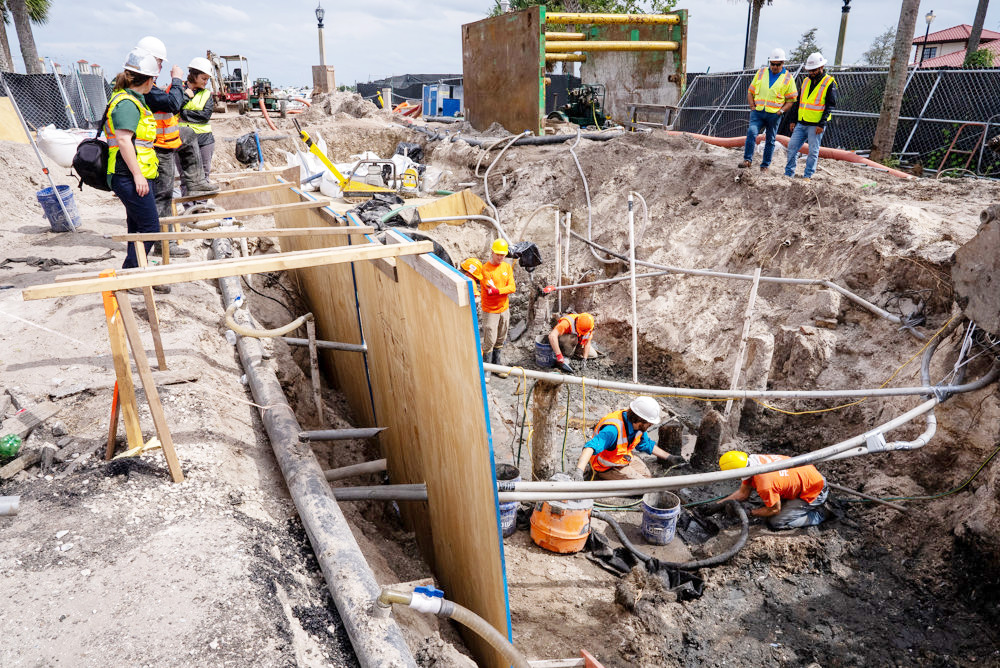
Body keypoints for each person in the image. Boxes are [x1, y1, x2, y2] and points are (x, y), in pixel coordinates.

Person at [106, 49, 167, 292]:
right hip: (128, 175)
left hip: (134, 175)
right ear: (149, 80)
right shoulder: (127, 104)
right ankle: (131, 274)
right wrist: (138, 175)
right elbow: (123, 140)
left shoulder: (132, 100)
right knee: (151, 228)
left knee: (137, 228)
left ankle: (136, 272)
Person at [717, 450, 829, 529]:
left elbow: (775, 510)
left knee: (776, 522)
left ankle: (821, 514)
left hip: (814, 491)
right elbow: (743, 493)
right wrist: (718, 504)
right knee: (771, 499)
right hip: (807, 476)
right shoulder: (754, 460)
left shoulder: (765, 485)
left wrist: (751, 513)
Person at [572, 397, 674, 481]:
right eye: (650, 423)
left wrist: (669, 457)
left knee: (648, 478)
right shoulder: (613, 430)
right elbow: (590, 447)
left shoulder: (638, 427)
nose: (651, 425)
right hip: (605, 467)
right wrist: (579, 471)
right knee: (643, 486)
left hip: (623, 458)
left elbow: (646, 444)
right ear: (641, 420)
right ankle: (600, 478)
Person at [741, 48, 797, 172]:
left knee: (770, 140)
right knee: (751, 133)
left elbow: (791, 99)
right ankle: (747, 160)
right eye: (772, 64)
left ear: (783, 63)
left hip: (774, 115)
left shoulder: (788, 78)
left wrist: (781, 111)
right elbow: (750, 92)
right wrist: (752, 107)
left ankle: (765, 165)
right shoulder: (761, 73)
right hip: (758, 112)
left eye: (778, 64)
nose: (775, 67)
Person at [784, 52, 838, 179]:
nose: (811, 72)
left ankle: (808, 176)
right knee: (792, 147)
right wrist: (793, 120)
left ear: (821, 67)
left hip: (816, 125)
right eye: (810, 70)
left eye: (814, 70)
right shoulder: (806, 81)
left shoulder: (829, 82)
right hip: (801, 122)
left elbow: (830, 106)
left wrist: (822, 124)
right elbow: (798, 102)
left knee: (813, 151)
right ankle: (789, 174)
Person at [178, 57, 217, 190]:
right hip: (183, 140)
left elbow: (205, 116)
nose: (206, 82)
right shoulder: (179, 91)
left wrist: (184, 113)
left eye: (207, 79)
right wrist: (185, 97)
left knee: (204, 178)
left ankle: (201, 203)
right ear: (194, 75)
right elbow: (174, 108)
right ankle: (189, 203)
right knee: (185, 178)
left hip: (204, 140)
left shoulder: (207, 94)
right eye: (203, 78)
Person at [479, 238, 516, 368]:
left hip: (504, 309)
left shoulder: (507, 267)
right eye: (498, 254)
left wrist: (498, 290)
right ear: (492, 252)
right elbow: (490, 291)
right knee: (490, 340)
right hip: (490, 311)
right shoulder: (486, 270)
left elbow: (512, 288)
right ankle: (487, 369)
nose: (500, 257)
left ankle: (497, 365)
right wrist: (502, 290)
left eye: (503, 255)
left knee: (501, 338)